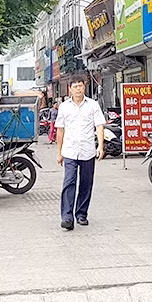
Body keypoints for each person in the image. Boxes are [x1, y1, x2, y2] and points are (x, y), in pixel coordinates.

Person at [56, 75, 105, 230]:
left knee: (86, 183)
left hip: (87, 151)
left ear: (84, 87)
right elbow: (60, 130)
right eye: (75, 86)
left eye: (80, 86)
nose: (78, 89)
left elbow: (99, 126)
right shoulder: (64, 107)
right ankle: (67, 217)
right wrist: (59, 152)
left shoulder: (93, 105)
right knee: (69, 182)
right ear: (69, 88)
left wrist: (101, 147)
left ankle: (81, 214)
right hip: (70, 151)